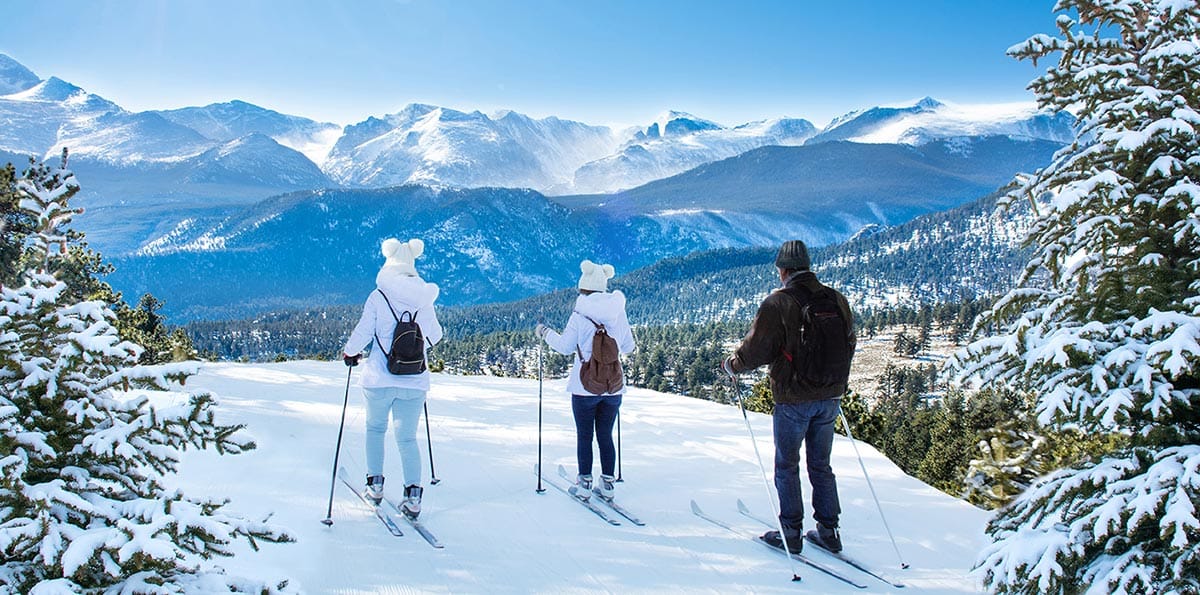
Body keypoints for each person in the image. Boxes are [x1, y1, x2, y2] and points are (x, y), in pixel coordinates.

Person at [720, 239, 855, 553]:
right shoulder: (836, 299)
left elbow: (756, 350)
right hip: (830, 395)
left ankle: (791, 533)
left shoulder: (778, 302)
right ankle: (829, 531)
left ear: (782, 270)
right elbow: (850, 342)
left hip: (794, 396)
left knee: (787, 464)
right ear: (807, 266)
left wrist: (732, 365)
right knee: (821, 464)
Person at [343, 238, 443, 518]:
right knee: (407, 439)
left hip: (379, 378)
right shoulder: (423, 300)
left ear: (389, 263)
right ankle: (413, 497)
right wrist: (416, 345)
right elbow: (435, 336)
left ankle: (375, 486)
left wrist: (350, 352)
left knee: (375, 430)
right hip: (414, 380)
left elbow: (364, 331)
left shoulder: (379, 296)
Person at [536, 260, 635, 501]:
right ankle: (608, 485)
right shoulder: (618, 312)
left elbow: (565, 346)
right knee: (605, 435)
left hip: (584, 387)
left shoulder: (580, 314)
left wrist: (545, 333)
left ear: (584, 287)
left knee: (585, 435)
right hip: (613, 387)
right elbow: (629, 347)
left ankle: (584, 484)